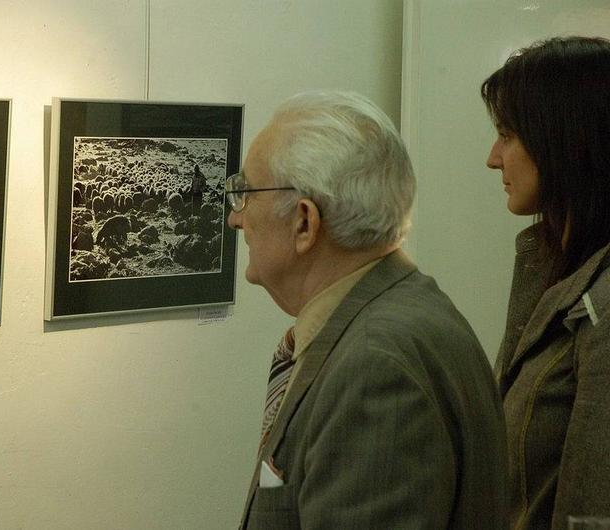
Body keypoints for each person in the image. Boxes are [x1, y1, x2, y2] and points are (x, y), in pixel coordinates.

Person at [228, 90, 506, 529]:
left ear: (304, 222)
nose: (236, 218)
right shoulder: (398, 314)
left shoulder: (376, 366)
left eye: (246, 194)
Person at [482, 36, 610, 530]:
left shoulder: (604, 301)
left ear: (564, 139)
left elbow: (592, 513)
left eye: (507, 135)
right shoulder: (550, 267)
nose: (494, 158)